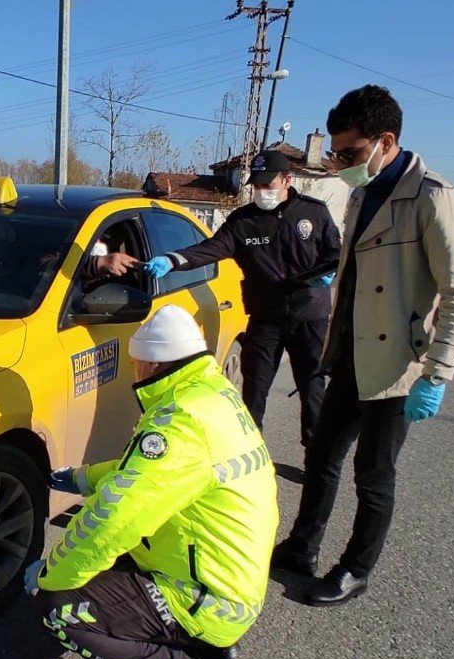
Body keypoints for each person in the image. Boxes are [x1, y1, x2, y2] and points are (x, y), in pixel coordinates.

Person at [272, 85, 454, 606]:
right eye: (338, 153)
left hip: (397, 364)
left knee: (374, 474)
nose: (341, 163)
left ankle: (355, 568)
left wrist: (437, 374)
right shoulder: (363, 193)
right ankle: (303, 545)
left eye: (350, 153)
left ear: (386, 141)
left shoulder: (433, 197)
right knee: (321, 456)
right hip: (349, 355)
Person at [25, 305, 278, 659]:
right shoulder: (206, 396)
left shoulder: (179, 424)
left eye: (135, 362)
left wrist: (52, 571)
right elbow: (144, 474)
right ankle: (193, 642)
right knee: (102, 566)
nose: (133, 371)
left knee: (59, 607)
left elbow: (114, 519)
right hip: (221, 576)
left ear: (152, 362)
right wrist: (83, 478)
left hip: (205, 596)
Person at [142, 151, 342, 450]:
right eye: (257, 186)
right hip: (266, 317)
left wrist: (327, 273)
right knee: (254, 388)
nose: (262, 191)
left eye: (268, 184)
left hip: (309, 315)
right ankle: (249, 450)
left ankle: (315, 453)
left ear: (287, 180)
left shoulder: (314, 213)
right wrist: (173, 259)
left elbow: (335, 254)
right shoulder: (243, 222)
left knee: (313, 387)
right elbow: (210, 249)